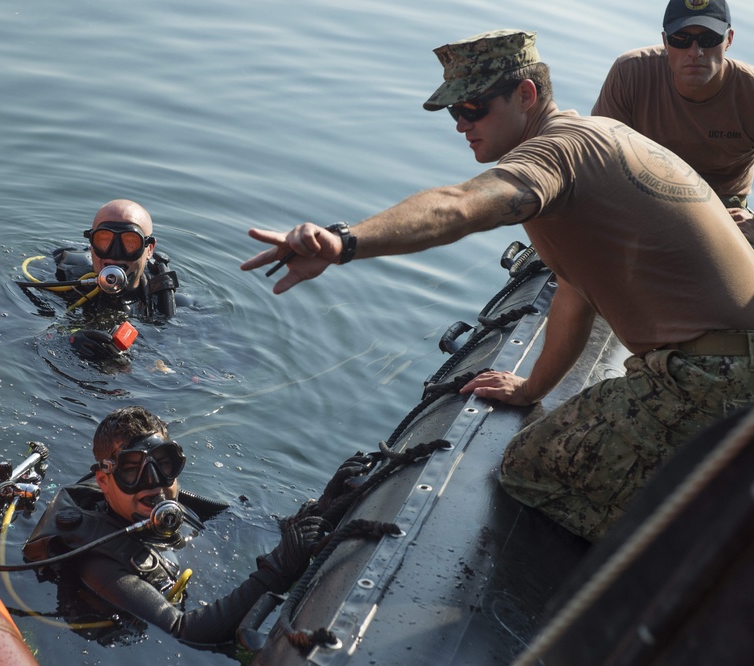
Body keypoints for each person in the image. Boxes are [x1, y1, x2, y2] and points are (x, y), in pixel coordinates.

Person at [240, 29, 754, 541]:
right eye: (453, 113)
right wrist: (532, 389)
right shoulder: (596, 140)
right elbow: (575, 294)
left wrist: (343, 242)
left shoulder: (553, 157)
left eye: (474, 107)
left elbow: (459, 206)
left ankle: (692, 547)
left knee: (527, 469)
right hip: (727, 358)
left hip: (712, 374)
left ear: (526, 95)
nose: (462, 125)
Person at [22, 406, 333, 647]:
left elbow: (237, 522)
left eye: (164, 463)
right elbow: (185, 630)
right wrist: (277, 570)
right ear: (104, 480)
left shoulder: (166, 498)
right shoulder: (99, 561)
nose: (154, 482)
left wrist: (324, 509)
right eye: (132, 470)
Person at [593, 0, 754, 243]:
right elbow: (596, 160)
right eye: (681, 38)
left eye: (709, 38)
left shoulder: (749, 91)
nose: (695, 51)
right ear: (666, 41)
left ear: (729, 40)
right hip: (642, 199)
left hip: (723, 211)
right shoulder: (629, 73)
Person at [52, 199, 183, 361]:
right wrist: (69, 341)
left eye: (130, 243)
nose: (114, 255)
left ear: (149, 249)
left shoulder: (171, 304)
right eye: (104, 240)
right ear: (92, 244)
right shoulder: (62, 285)